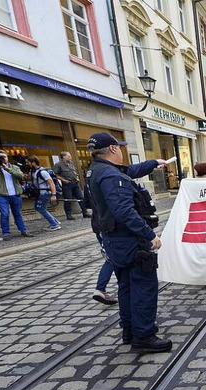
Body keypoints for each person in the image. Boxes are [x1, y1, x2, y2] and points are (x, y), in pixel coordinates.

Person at [86, 132, 171, 353]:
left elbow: (130, 171)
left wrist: (153, 163)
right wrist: (149, 235)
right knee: (143, 286)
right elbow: (124, 211)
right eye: (120, 147)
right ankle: (144, 336)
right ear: (113, 149)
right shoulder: (112, 176)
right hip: (130, 241)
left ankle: (130, 330)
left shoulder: (97, 170)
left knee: (126, 286)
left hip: (114, 240)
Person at [83, 178, 117, 306]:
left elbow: (86, 203)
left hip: (97, 224)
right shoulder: (107, 178)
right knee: (111, 259)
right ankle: (100, 289)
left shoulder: (88, 181)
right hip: (107, 224)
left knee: (111, 258)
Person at [0, 150, 34, 241]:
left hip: (15, 194)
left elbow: (20, 176)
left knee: (17, 213)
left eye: (4, 157)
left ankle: (23, 230)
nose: (2, 159)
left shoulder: (14, 167)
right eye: (0, 157)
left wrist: (7, 169)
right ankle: (6, 233)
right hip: (2, 195)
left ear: (7, 157)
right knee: (5, 214)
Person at [53, 151, 91, 220]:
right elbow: (56, 175)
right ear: (64, 157)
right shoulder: (58, 165)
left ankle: (85, 212)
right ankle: (68, 214)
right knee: (68, 199)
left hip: (75, 183)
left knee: (81, 198)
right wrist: (64, 180)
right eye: (69, 156)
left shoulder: (71, 163)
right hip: (67, 185)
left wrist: (77, 177)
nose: (70, 157)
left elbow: (74, 172)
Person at [29, 156, 61, 231]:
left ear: (33, 163)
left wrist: (53, 195)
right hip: (41, 193)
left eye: (28, 162)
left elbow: (51, 183)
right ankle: (55, 221)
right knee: (39, 208)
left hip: (45, 193)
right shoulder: (34, 171)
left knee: (40, 208)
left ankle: (54, 224)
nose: (27, 164)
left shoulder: (42, 172)